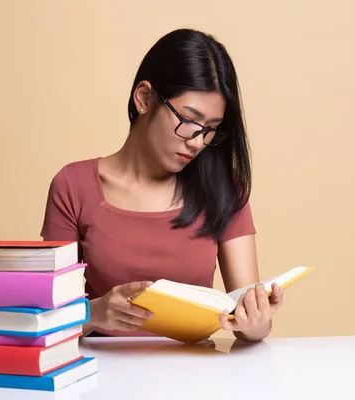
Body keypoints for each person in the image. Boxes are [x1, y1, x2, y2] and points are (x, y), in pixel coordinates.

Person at [41, 28, 283, 342]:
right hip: (101, 374)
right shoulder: (73, 186)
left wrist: (257, 323)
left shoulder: (224, 188)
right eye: (189, 120)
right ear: (144, 98)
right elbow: (49, 317)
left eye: (210, 129)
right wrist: (95, 313)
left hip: (194, 379)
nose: (198, 142)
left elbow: (251, 324)